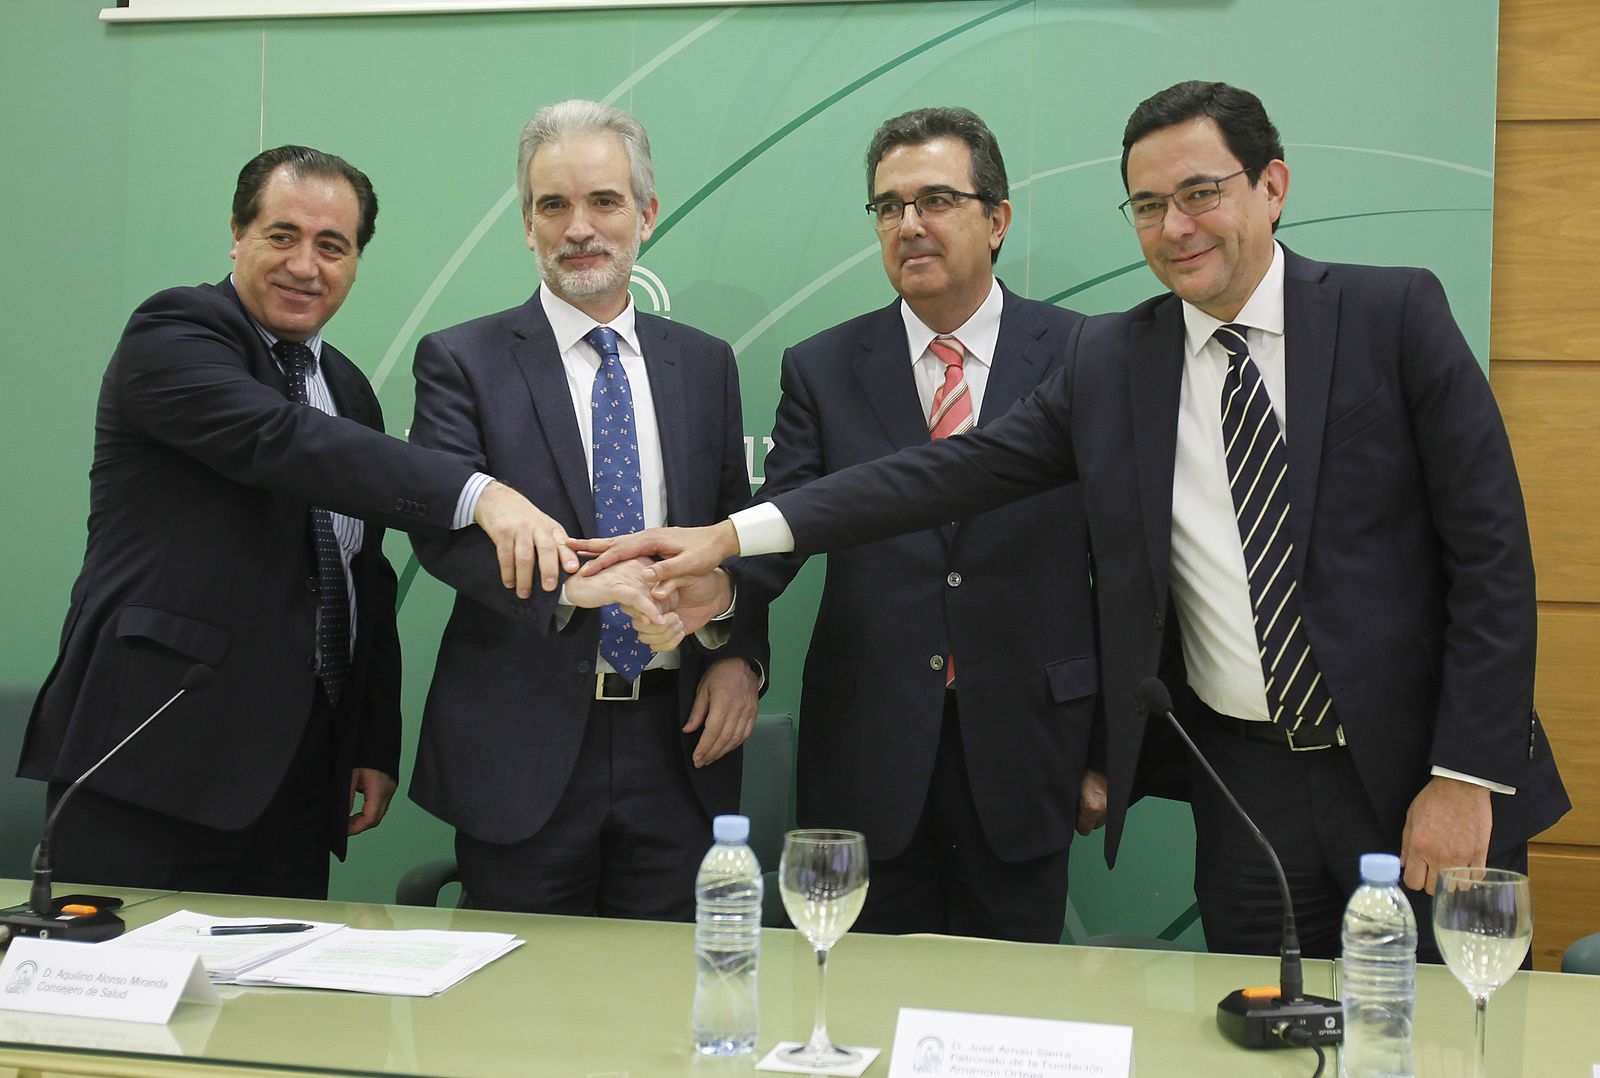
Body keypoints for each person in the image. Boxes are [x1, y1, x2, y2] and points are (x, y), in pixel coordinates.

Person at [580, 82, 1569, 958]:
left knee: (1443, 1040)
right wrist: (727, 537)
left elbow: (1489, 555)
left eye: (1199, 193)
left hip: (1420, 775)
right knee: (1261, 1034)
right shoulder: (1116, 362)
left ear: (1271, 186)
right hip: (1243, 791)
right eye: (1146, 205)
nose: (1173, 226)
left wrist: (1462, 774)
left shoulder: (1390, 317)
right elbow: (935, 477)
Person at [21, 145, 573, 899]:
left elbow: (362, 576)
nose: (304, 266)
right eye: (282, 235)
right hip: (152, 761)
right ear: (237, 234)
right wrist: (481, 494)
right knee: (128, 1002)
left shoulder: (346, 387)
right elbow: (282, 442)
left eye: (332, 246)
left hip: (297, 778)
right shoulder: (175, 333)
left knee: (279, 1005)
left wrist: (370, 737)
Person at [725, 108, 1101, 943]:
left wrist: (1112, 751)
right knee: (859, 1011)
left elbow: (1129, 570)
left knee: (1008, 1020)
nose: (910, 225)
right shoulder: (822, 368)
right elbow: (782, 532)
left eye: (936, 199)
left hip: (1029, 746)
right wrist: (714, 605)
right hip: (867, 752)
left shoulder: (1085, 356)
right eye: (889, 207)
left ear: (997, 219)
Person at [406, 100, 765, 921]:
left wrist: (738, 652)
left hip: (678, 752)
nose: (579, 228)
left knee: (664, 1014)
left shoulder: (706, 366)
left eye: (603, 202)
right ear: (526, 224)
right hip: (521, 750)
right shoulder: (461, 360)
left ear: (645, 214)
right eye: (552, 205)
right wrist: (574, 587)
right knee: (516, 1022)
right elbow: (444, 531)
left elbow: (736, 535)